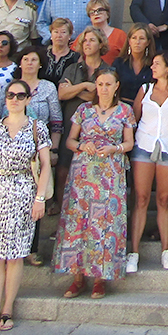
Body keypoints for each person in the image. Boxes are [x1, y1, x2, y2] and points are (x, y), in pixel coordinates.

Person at [0, 80, 52, 332]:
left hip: (23, 190)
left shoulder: (37, 128)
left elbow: (45, 164)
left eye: (21, 95)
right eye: (11, 95)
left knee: (16, 254)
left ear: (29, 100)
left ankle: (7, 309)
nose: (15, 99)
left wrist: (40, 198)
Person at [55, 69, 136, 299]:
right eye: (100, 84)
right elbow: (70, 140)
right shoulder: (84, 110)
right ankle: (77, 276)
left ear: (116, 85)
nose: (103, 88)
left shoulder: (125, 111)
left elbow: (129, 143)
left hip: (110, 173)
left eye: (108, 84)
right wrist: (82, 146)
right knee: (78, 221)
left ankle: (99, 278)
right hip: (83, 173)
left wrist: (114, 148)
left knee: (104, 223)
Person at [0, 46, 63, 266]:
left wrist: (53, 149)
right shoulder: (9, 87)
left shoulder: (47, 88)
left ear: (40, 63)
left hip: (37, 150)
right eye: (25, 59)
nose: (29, 63)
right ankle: (6, 247)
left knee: (35, 202)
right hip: (8, 150)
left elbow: (56, 120)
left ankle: (31, 249)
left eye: (34, 59)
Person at [126, 51, 168, 273]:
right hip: (144, 145)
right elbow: (134, 118)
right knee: (141, 198)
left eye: (157, 64)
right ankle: (133, 252)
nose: (152, 67)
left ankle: (165, 249)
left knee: (164, 199)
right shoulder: (145, 90)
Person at [57, 27, 112, 214]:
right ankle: (61, 207)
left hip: (97, 127)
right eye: (85, 40)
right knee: (64, 167)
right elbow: (62, 93)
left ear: (101, 44)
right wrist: (85, 86)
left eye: (92, 40)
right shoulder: (73, 68)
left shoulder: (108, 70)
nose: (87, 44)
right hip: (71, 122)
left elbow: (100, 98)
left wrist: (75, 90)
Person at [70, 0, 126, 64]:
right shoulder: (83, 36)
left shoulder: (120, 35)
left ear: (107, 14)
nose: (96, 13)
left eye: (100, 10)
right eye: (92, 12)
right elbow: (73, 57)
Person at [112, 24, 155, 105]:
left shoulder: (153, 64)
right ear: (129, 41)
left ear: (148, 42)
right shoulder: (119, 63)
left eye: (141, 38)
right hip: (121, 107)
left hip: (146, 107)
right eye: (134, 38)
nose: (137, 42)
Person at [40, 18, 80, 85]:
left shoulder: (76, 57)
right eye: (56, 32)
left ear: (69, 35)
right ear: (51, 34)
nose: (59, 36)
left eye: (63, 32)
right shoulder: (41, 54)